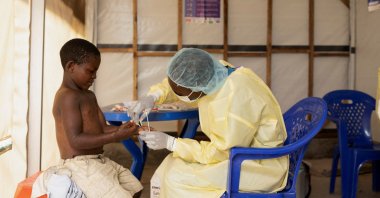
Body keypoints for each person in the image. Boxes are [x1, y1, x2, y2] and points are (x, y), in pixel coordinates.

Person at [130, 48, 289, 197]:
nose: (177, 95)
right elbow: (178, 83)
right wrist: (154, 96)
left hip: (257, 164)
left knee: (175, 178)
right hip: (238, 153)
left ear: (197, 87)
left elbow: (222, 151)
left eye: (180, 93)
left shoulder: (234, 100)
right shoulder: (216, 73)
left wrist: (172, 143)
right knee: (170, 163)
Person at [31, 38, 143, 198]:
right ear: (71, 66)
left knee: (135, 188)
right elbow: (76, 140)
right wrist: (116, 135)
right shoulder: (67, 97)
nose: (94, 76)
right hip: (80, 165)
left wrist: (133, 129)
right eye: (90, 71)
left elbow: (102, 128)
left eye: (96, 71)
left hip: (97, 160)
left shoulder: (89, 95)